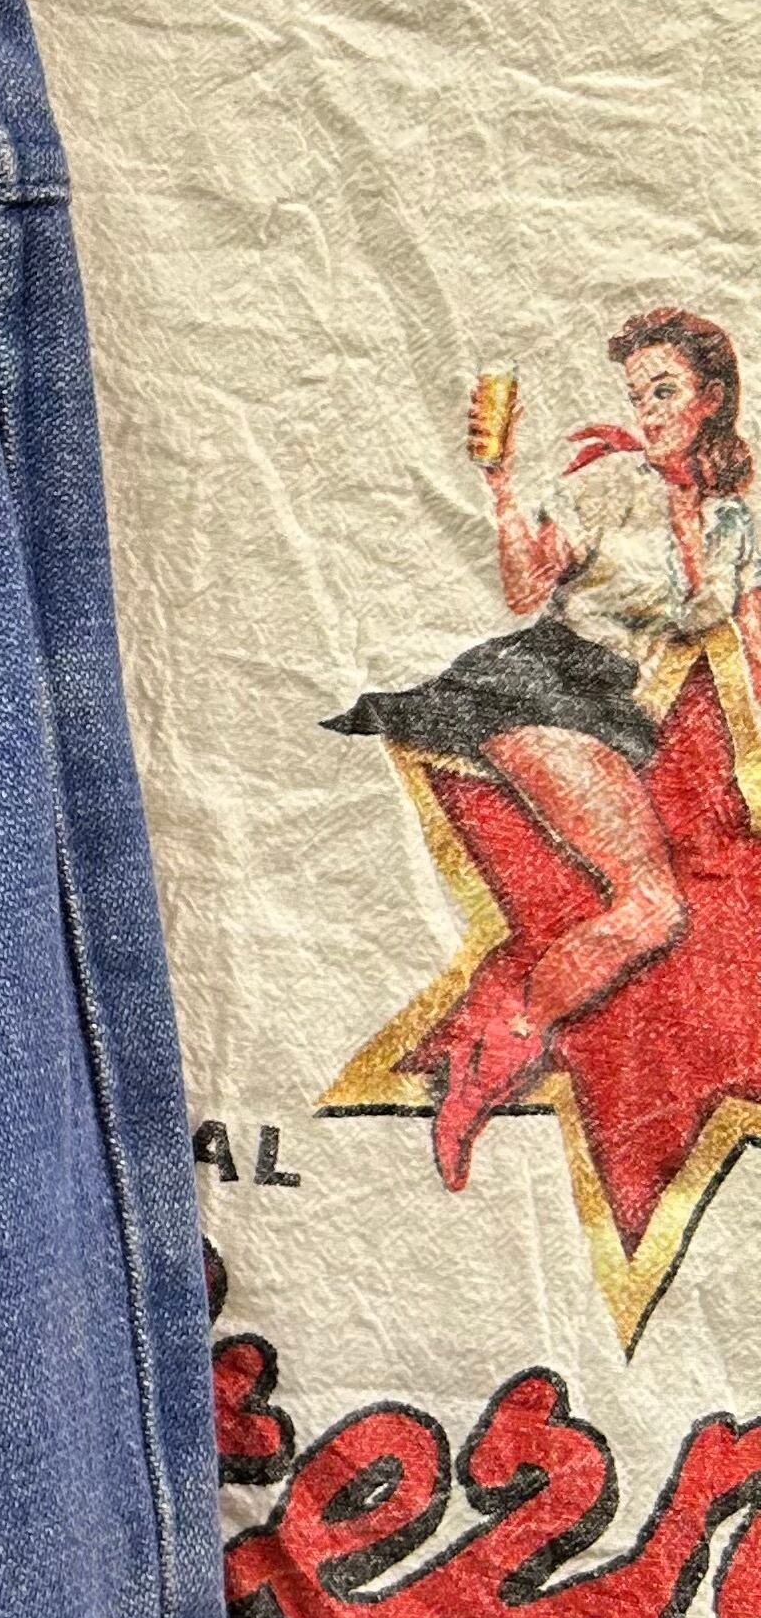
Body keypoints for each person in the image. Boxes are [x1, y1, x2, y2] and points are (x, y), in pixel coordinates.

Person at [326, 308, 761, 1188]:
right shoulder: (611, 485)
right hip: (542, 681)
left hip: (612, 707)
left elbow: (752, 640)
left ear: (713, 398)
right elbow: (528, 587)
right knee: (651, 908)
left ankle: (492, 1047)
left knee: (657, 911)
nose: (648, 411)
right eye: (638, 395)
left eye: (664, 391)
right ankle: (490, 1062)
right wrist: (499, 485)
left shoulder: (734, 526)